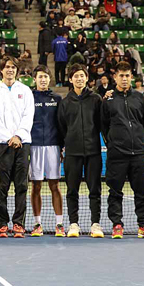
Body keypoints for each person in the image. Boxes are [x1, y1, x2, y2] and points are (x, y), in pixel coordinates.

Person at [101, 61, 144, 239]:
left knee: (142, 192)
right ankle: (117, 225)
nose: (124, 79)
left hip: (138, 153)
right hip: (117, 154)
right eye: (121, 76)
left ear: (131, 77)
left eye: (127, 75)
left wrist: (138, 141)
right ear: (115, 77)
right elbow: (103, 125)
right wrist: (114, 143)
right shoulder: (108, 99)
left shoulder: (140, 98)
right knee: (115, 191)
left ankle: (143, 226)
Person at [0, 56, 34, 238]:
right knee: (2, 186)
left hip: (23, 142)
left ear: (17, 70)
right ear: (1, 70)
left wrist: (19, 136)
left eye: (13, 67)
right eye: (7, 67)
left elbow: (28, 116)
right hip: (2, 144)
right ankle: (1, 225)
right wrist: (9, 138)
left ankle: (19, 224)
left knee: (21, 185)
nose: (10, 70)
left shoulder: (25, 90)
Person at [57, 64, 103, 238]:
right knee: (72, 191)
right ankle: (73, 224)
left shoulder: (96, 99)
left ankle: (95, 225)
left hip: (93, 152)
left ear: (86, 78)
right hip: (72, 153)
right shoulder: (65, 102)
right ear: (70, 79)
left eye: (82, 76)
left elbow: (100, 124)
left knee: (95, 191)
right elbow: (61, 126)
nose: (79, 79)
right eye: (76, 76)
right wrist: (66, 144)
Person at [29, 65, 65, 237]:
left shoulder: (57, 99)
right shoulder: (28, 98)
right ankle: (37, 224)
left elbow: (62, 124)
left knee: (54, 186)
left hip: (53, 146)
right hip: (34, 145)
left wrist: (63, 146)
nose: (43, 80)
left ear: (49, 79)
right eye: (40, 77)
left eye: (46, 77)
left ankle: (59, 224)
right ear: (34, 79)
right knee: (35, 186)